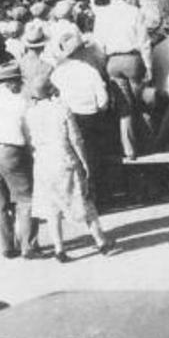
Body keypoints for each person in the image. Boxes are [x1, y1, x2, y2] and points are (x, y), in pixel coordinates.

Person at [25, 76, 115, 261]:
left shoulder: (30, 113)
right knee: (83, 200)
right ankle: (101, 242)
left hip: (43, 162)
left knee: (52, 208)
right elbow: (75, 139)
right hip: (64, 158)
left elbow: (30, 140)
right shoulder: (61, 109)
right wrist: (84, 162)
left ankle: (59, 249)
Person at [0, 60, 38, 259]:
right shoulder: (20, 103)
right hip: (11, 151)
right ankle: (27, 245)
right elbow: (28, 133)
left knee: (0, 202)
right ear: (11, 83)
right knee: (25, 200)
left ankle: (6, 245)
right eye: (18, 82)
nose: (20, 85)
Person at [50, 27, 109, 208]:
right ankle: (97, 197)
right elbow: (103, 101)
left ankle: (77, 198)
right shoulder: (90, 71)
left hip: (67, 117)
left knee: (72, 157)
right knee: (93, 157)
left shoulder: (57, 73)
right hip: (89, 117)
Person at [93, 0, 150, 159]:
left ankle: (129, 149)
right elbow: (144, 42)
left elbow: (98, 44)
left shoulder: (102, 14)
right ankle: (147, 142)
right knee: (140, 104)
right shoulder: (135, 12)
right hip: (132, 58)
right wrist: (149, 66)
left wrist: (102, 66)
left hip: (112, 61)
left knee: (124, 107)